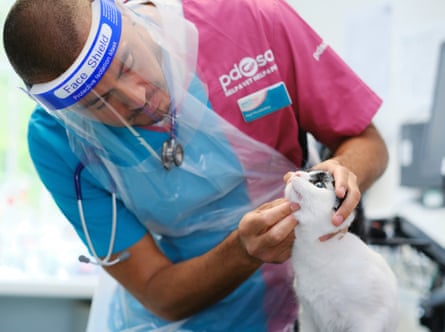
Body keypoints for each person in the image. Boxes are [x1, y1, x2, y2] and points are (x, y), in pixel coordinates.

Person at [3, 0, 389, 331]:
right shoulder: (58, 140)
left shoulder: (248, 20)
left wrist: (340, 173)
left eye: (127, 64)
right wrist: (242, 250)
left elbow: (368, 142)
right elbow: (157, 289)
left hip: (302, 303)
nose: (135, 100)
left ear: (127, 12)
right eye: (97, 104)